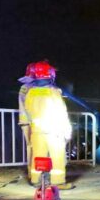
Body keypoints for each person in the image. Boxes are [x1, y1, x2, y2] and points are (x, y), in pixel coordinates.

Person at [24, 61, 74, 189]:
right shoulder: (54, 92)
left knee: (38, 156)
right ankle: (57, 182)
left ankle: (36, 180)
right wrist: (67, 130)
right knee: (57, 157)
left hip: (37, 131)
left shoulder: (30, 93)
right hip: (54, 131)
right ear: (50, 75)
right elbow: (62, 112)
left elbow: (28, 112)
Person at [18, 63, 36, 175]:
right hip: (32, 122)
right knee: (34, 147)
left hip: (26, 121)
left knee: (31, 147)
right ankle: (34, 172)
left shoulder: (25, 87)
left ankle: (32, 172)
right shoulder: (31, 87)